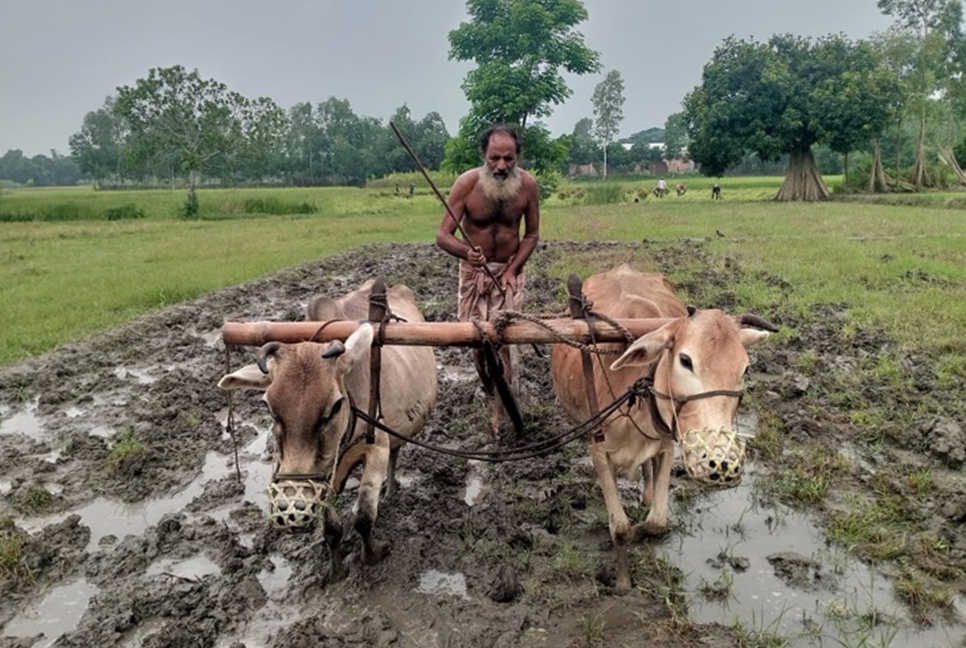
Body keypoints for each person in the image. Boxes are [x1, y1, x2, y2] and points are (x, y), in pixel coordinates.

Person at [436, 124, 540, 435]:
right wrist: (466, 253)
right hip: (474, 276)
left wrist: (511, 270)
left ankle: (501, 408)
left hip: (508, 273)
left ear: (517, 157)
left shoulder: (528, 187)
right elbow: (443, 236)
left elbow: (532, 234)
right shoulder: (466, 185)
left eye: (508, 159)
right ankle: (490, 389)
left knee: (504, 342)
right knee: (478, 346)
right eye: (495, 158)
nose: (501, 166)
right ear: (484, 155)